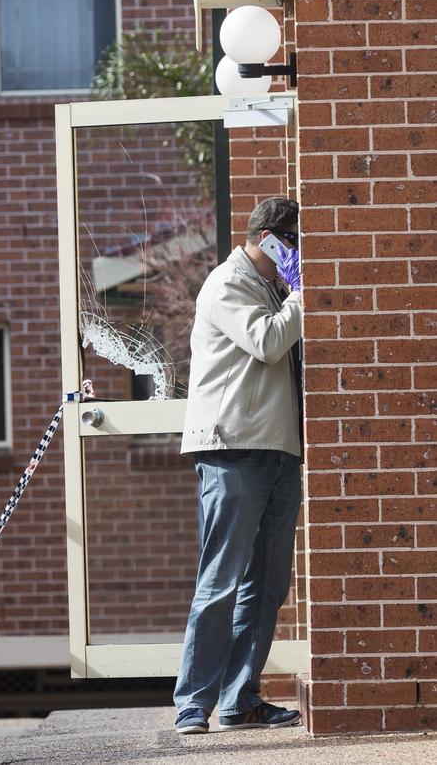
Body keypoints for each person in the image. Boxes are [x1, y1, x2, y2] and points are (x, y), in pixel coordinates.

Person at [174, 197, 303, 734]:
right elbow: (269, 342)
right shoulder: (228, 282)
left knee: (267, 586)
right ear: (273, 237)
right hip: (234, 449)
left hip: (278, 450)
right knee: (221, 581)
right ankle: (192, 704)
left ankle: (239, 700)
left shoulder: (272, 286)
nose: (301, 254)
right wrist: (303, 293)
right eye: (297, 243)